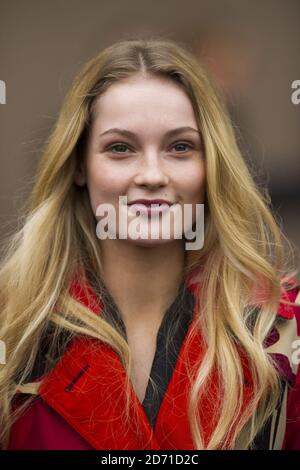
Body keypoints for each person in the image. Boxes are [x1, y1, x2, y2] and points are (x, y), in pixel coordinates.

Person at [0, 37, 299, 451]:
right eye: (120, 148)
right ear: (80, 166)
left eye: (180, 147)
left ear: (211, 165)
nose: (152, 174)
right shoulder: (12, 328)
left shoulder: (281, 331)